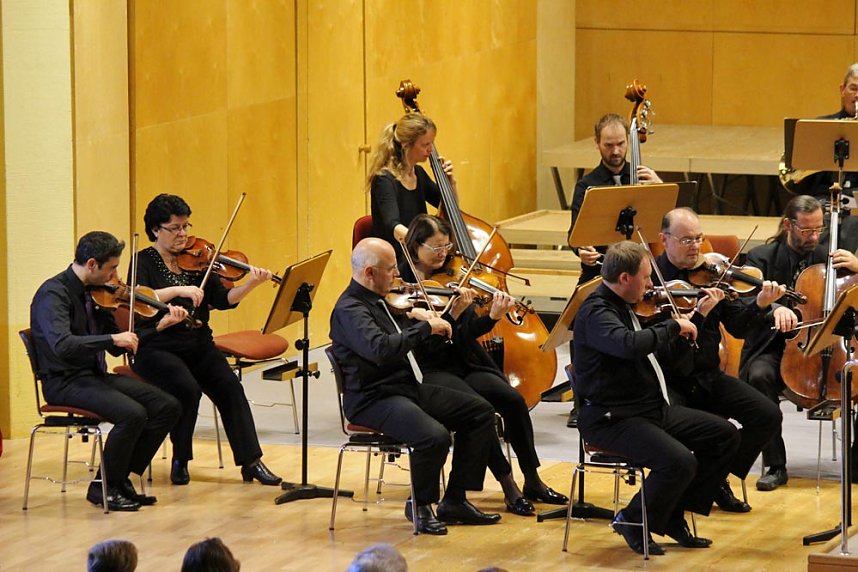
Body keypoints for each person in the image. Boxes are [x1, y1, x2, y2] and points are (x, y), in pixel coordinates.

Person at [573, 240, 740, 555]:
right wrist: (672, 326)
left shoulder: (627, 308)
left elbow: (664, 356)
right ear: (625, 278)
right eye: (647, 277)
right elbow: (628, 345)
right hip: (612, 418)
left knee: (724, 435)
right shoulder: (596, 311)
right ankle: (633, 519)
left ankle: (672, 515)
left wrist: (699, 318)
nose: (651, 284)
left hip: (649, 409)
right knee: (678, 461)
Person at [399, 214, 568, 516]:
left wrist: (489, 317)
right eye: (434, 248)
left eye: (446, 246)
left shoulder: (451, 279)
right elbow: (422, 346)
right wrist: (451, 315)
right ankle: (508, 485)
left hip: (462, 361)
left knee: (513, 400)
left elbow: (463, 337)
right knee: (479, 409)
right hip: (431, 371)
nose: (443, 254)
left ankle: (532, 478)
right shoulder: (402, 287)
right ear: (414, 247)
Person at [329, 237, 500, 535]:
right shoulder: (350, 310)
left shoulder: (380, 300)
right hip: (373, 398)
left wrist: (423, 319)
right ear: (369, 272)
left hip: (404, 388)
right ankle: (420, 505)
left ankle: (456, 499)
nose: (398, 276)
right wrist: (423, 327)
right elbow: (381, 349)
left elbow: (401, 336)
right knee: (433, 436)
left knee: (480, 412)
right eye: (392, 269)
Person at [130, 194, 281, 487]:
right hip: (157, 346)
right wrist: (177, 296)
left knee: (230, 386)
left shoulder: (200, 260)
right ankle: (180, 459)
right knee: (187, 389)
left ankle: (251, 461)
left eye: (185, 226)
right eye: (174, 228)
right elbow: (140, 300)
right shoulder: (143, 261)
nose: (183, 234)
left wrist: (250, 283)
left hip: (197, 342)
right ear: (155, 230)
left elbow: (223, 299)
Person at [29, 232, 182, 511]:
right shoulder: (53, 294)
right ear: (91, 264)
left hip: (93, 377)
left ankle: (120, 478)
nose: (116, 276)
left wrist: (158, 326)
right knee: (132, 414)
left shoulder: (96, 295)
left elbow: (117, 346)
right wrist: (112, 339)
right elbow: (62, 345)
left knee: (166, 406)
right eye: (111, 268)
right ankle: (105, 488)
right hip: (64, 381)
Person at [653, 208, 783, 511]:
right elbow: (662, 348)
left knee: (767, 416)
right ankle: (699, 485)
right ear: (664, 239)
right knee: (712, 431)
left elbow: (738, 326)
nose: (696, 247)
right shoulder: (653, 282)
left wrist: (761, 304)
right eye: (687, 240)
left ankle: (714, 479)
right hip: (671, 383)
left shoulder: (712, 274)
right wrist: (699, 313)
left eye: (699, 238)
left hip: (708, 377)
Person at [739, 195, 858, 490]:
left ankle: (856, 464)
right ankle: (776, 465)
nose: (814, 237)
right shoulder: (761, 258)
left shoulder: (829, 258)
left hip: (824, 344)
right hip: (774, 347)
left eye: (819, 230)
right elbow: (742, 303)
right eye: (806, 231)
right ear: (788, 225)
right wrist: (771, 307)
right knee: (759, 376)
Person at [568, 113, 663, 284]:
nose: (616, 151)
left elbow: (669, 220)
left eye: (621, 144)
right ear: (597, 143)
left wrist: (660, 187)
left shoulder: (645, 178)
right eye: (608, 145)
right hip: (602, 270)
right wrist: (581, 250)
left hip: (644, 271)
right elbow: (574, 234)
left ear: (628, 140)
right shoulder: (587, 185)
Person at [367, 113, 455, 258]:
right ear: (406, 144)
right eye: (425, 144)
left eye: (431, 143)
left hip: (419, 256)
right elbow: (393, 226)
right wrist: (425, 245)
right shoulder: (384, 180)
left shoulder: (418, 173)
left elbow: (448, 207)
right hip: (396, 258)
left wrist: (451, 183)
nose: (431, 150)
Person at [790, 63, 858, 199]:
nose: (857, 95)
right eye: (853, 88)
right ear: (842, 89)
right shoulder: (821, 125)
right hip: (826, 197)